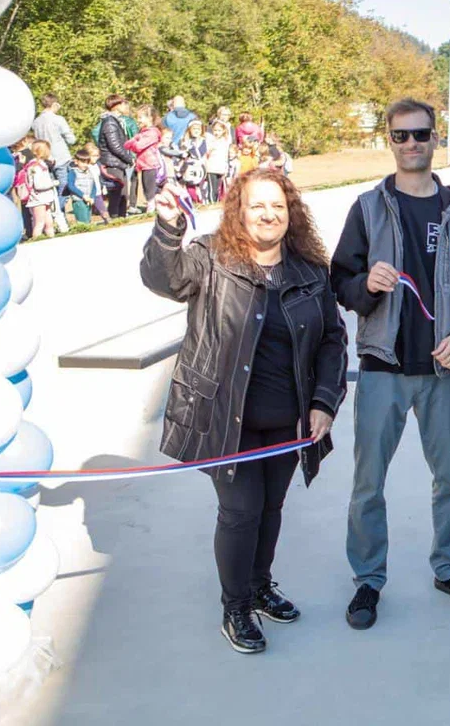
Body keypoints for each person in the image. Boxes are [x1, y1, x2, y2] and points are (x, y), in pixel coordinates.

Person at [140, 169, 348, 655]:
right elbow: (163, 278)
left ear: (291, 213)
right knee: (240, 511)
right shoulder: (210, 258)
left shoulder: (310, 272)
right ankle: (235, 606)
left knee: (271, 508)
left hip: (287, 421)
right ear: (239, 210)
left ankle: (258, 586)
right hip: (224, 419)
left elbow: (332, 340)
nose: (268, 214)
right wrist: (168, 228)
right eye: (257, 205)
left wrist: (323, 402)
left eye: (277, 205)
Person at [331, 98, 450, 629]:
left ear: (435, 138)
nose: (411, 144)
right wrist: (366, 285)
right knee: (368, 483)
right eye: (400, 135)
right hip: (382, 368)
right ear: (389, 140)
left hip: (442, 372)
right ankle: (368, 580)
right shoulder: (367, 208)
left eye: (420, 134)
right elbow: (340, 281)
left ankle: (449, 568)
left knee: (449, 478)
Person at [31, 93, 77, 206]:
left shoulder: (36, 122)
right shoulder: (58, 119)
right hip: (61, 157)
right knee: (65, 187)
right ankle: (58, 211)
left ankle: (54, 210)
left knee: (52, 188)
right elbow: (71, 140)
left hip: (45, 158)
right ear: (55, 104)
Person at [125, 106, 162, 213]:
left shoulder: (152, 133)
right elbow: (127, 145)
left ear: (150, 118)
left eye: (140, 117)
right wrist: (134, 141)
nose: (138, 120)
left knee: (150, 190)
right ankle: (153, 208)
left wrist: (134, 141)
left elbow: (138, 146)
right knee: (146, 188)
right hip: (143, 164)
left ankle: (153, 209)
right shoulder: (142, 132)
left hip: (151, 164)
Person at [24, 140, 59, 237]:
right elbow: (38, 185)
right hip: (38, 199)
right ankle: (36, 240)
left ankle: (51, 237)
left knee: (49, 222)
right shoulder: (35, 166)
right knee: (39, 223)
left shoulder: (42, 164)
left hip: (45, 198)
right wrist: (53, 183)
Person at [65, 149, 99, 226]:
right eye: (83, 162)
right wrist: (83, 195)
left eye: (87, 162)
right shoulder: (73, 172)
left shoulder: (89, 172)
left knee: (88, 220)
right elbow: (71, 186)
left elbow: (93, 186)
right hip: (79, 200)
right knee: (83, 222)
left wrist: (92, 197)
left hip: (88, 200)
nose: (85, 165)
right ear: (76, 161)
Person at [205, 120, 232, 202]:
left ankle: (216, 202)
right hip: (211, 168)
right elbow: (206, 153)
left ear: (223, 131)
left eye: (219, 130)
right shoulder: (210, 140)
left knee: (218, 189)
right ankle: (211, 202)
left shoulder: (225, 141)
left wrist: (226, 168)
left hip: (221, 168)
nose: (217, 132)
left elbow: (226, 156)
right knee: (212, 188)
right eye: (215, 130)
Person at [84, 142, 110, 224]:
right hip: (87, 193)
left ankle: (108, 221)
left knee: (103, 209)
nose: (96, 158)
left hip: (98, 191)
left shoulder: (97, 165)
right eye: (94, 156)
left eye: (97, 155)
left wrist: (103, 186)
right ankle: (87, 224)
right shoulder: (85, 167)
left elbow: (100, 177)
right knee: (87, 211)